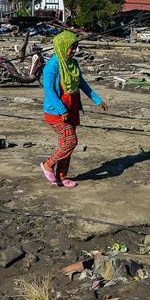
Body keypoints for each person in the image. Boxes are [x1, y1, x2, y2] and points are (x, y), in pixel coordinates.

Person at [40, 31, 106, 187]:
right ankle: (48, 164)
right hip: (56, 111)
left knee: (65, 143)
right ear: (62, 46)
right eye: (71, 48)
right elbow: (49, 90)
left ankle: (62, 177)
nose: (74, 51)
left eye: (76, 47)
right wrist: (62, 110)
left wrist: (97, 100)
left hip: (72, 108)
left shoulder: (73, 63)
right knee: (70, 141)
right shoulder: (52, 66)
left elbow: (81, 83)